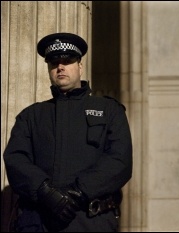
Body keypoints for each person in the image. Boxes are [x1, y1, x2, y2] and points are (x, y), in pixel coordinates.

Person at [3, 32, 133, 232]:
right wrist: (46, 192)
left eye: (67, 60)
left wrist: (78, 192)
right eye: (54, 63)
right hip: (39, 222)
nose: (60, 67)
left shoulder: (109, 110)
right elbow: (16, 159)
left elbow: (119, 160)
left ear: (80, 66)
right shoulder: (31, 115)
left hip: (92, 223)